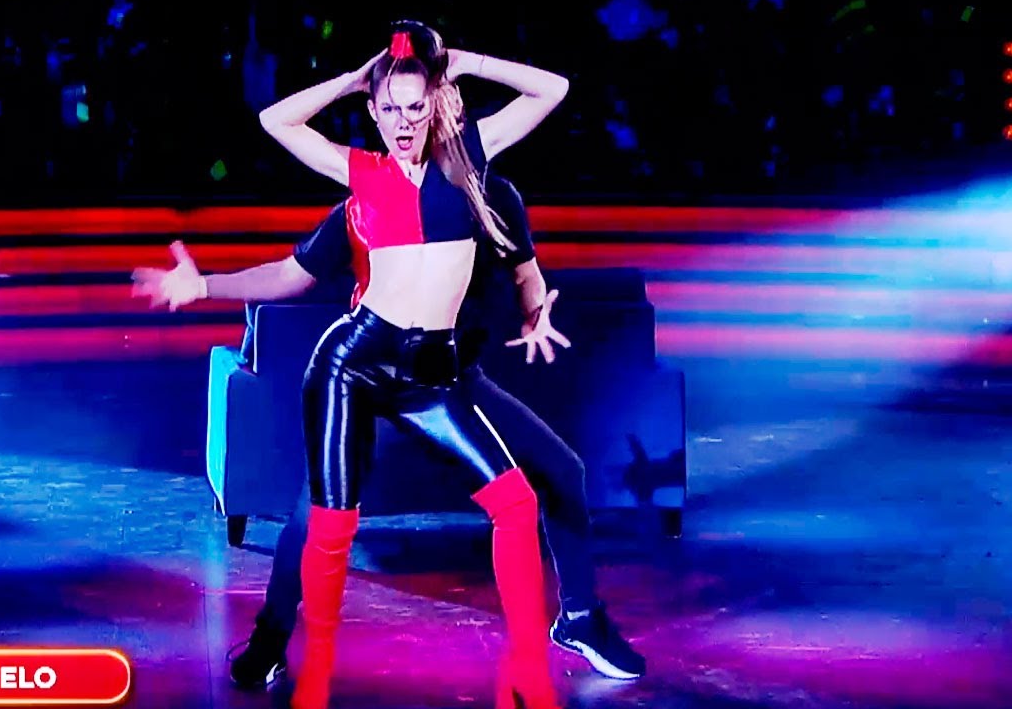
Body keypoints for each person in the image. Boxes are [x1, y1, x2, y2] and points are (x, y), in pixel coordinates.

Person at [149, 20, 570, 709]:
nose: (403, 123)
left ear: (435, 103)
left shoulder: (467, 162)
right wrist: (353, 79)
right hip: (354, 364)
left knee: (517, 505)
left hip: (430, 378)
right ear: (373, 113)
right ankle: (312, 677)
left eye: (415, 106)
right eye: (390, 109)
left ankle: (530, 673)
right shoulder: (362, 178)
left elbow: (552, 89)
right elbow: (276, 124)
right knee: (330, 524)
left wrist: (465, 60)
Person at [134, 177, 648, 688]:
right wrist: (205, 286)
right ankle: (269, 642)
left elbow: (526, 273)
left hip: (452, 381)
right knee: (316, 511)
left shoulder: (496, 197)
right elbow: (292, 274)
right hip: (371, 380)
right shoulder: (373, 201)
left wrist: (537, 313)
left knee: (563, 471)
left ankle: (580, 619)